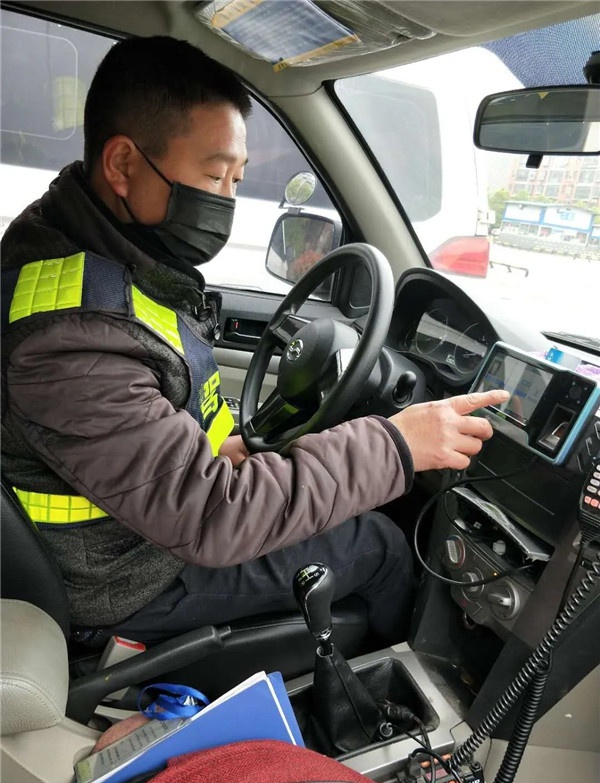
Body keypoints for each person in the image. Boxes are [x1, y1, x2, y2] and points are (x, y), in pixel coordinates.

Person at [1, 36, 507, 648]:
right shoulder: (71, 339)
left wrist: (230, 450)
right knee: (376, 545)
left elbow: (154, 431)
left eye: (237, 180)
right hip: (121, 579)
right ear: (123, 164)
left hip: (133, 530)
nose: (226, 201)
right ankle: (407, 692)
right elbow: (211, 516)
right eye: (214, 176)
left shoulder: (91, 254)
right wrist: (397, 444)